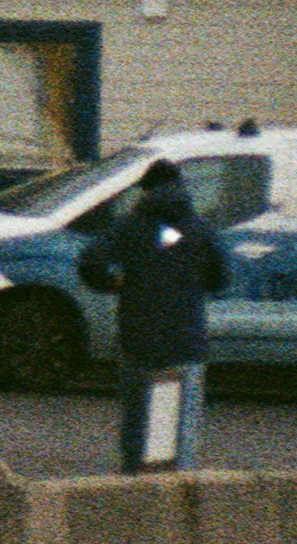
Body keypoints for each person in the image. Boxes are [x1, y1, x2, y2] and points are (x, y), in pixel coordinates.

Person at [79, 162, 228, 473]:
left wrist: (113, 282)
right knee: (175, 422)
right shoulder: (200, 227)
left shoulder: (128, 226)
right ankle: (171, 483)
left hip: (138, 335)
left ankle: (136, 480)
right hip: (185, 338)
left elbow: (91, 262)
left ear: (145, 190)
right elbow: (222, 278)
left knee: (138, 415)